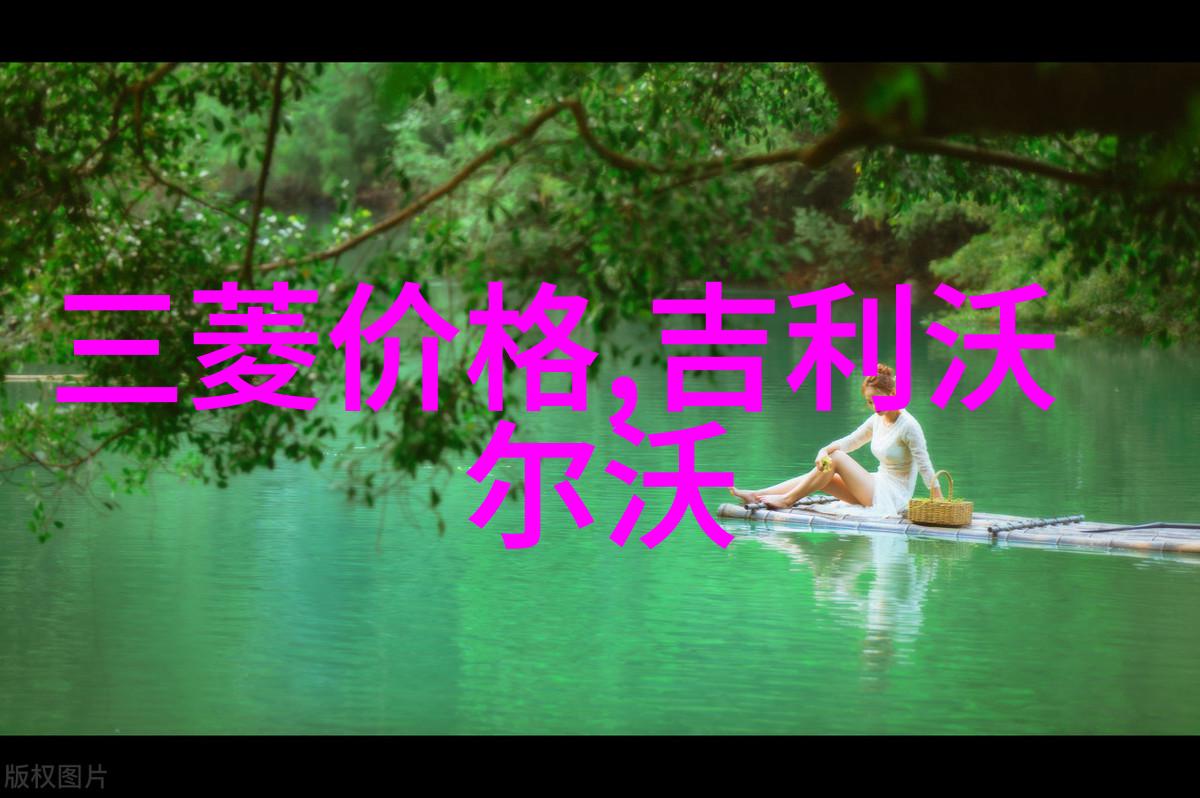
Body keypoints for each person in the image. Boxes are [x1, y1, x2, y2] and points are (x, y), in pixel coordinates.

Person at [729, 363, 943, 513]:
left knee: (837, 458)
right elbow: (850, 441)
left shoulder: (908, 426)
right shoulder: (877, 420)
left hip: (894, 496)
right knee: (824, 474)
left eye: (878, 399)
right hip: (876, 484)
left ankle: (787, 499)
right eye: (870, 402)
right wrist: (822, 451)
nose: (875, 406)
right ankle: (757, 494)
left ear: (893, 393)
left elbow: (925, 466)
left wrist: (938, 498)